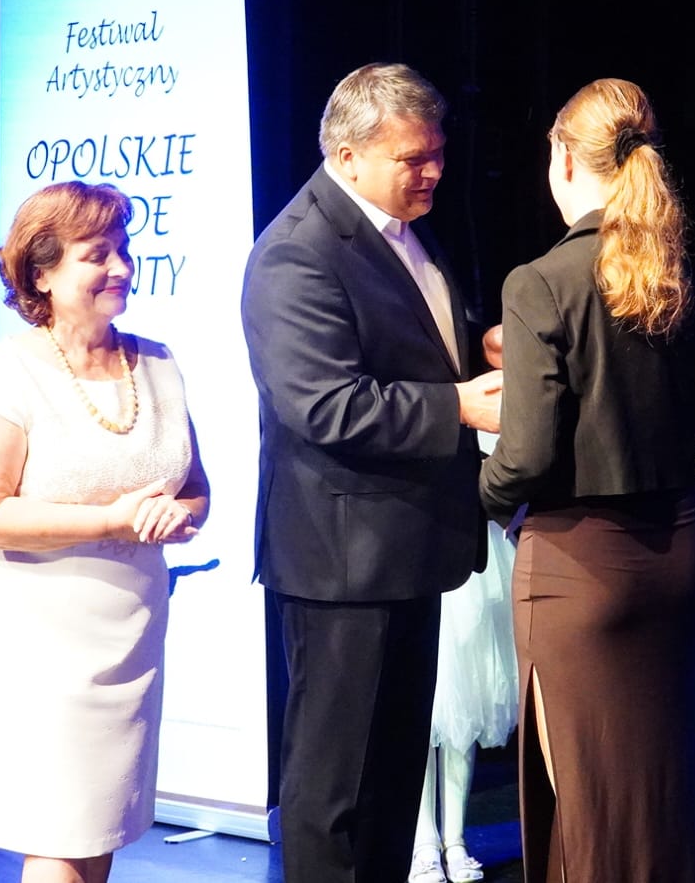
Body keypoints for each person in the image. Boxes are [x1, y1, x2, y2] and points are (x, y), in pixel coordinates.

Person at [241, 62, 504, 883]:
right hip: (341, 562)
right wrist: (457, 405)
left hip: (408, 548)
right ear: (347, 154)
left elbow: (412, 346)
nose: (432, 172)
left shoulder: (403, 228)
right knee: (336, 789)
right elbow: (326, 405)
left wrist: (478, 347)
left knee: (392, 781)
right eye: (411, 158)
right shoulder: (297, 253)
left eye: (437, 153)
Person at [479, 78, 695, 883]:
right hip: (677, 557)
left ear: (562, 157)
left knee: (588, 807)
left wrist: (477, 495)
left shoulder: (540, 281)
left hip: (578, 569)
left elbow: (527, 455)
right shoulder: (679, 275)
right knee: (662, 802)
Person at [0, 181, 210, 883]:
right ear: (42, 273)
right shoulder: (3, 375)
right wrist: (113, 519)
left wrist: (180, 514)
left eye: (123, 249)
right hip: (40, 645)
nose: (121, 267)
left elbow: (195, 488)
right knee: (58, 834)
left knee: (99, 831)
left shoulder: (159, 363)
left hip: (131, 634)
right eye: (97, 255)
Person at [408, 498, 519, 883]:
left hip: (470, 546)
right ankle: (422, 841)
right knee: (419, 706)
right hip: (413, 545)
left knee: (465, 700)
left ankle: (454, 839)